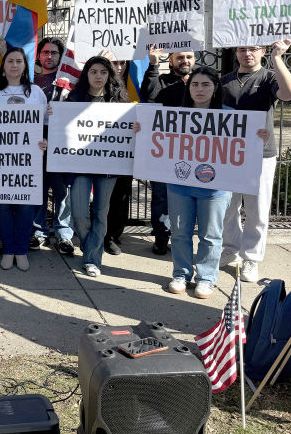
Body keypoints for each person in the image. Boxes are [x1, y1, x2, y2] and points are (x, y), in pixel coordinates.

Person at [133, 67, 269, 298]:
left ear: (215, 88)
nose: (199, 89)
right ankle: (181, 273)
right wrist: (142, 130)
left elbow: (245, 143)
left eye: (205, 84)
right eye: (195, 84)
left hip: (215, 188)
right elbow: (156, 137)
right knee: (179, 233)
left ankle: (206, 278)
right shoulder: (174, 115)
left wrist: (259, 138)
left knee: (211, 235)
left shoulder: (230, 115)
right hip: (179, 185)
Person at [220, 39, 291, 282]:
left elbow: (290, 94)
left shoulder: (267, 77)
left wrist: (277, 59)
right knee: (227, 207)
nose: (247, 53)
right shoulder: (225, 80)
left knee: (257, 209)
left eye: (253, 49)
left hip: (260, 153)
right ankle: (230, 249)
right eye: (242, 48)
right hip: (227, 153)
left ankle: (251, 258)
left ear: (262, 51)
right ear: (236, 51)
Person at [0, 48, 49, 271]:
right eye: (10, 61)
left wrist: (45, 142)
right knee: (2, 206)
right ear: (3, 66)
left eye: (18, 61)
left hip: (30, 161)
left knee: (25, 205)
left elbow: (47, 127)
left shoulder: (37, 93)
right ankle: (8, 249)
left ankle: (20, 250)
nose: (14, 65)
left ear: (25, 65)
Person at [66, 56, 128, 277]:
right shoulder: (73, 99)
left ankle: (93, 259)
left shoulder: (119, 102)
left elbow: (126, 132)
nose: (98, 76)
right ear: (87, 74)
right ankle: (90, 245)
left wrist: (135, 127)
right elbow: (62, 130)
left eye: (103, 71)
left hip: (108, 167)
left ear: (109, 75)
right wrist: (55, 117)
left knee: (101, 212)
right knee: (79, 211)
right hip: (80, 165)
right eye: (94, 71)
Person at [141, 48, 196, 255]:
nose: (184, 61)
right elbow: (149, 95)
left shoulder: (202, 81)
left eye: (189, 57)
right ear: (171, 61)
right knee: (161, 197)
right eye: (179, 57)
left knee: (190, 197)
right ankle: (161, 237)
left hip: (194, 151)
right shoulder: (161, 80)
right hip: (165, 151)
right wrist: (153, 65)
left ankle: (184, 237)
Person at [32, 37, 75, 255]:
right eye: (45, 52)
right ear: (39, 55)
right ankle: (39, 232)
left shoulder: (70, 81)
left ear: (61, 56)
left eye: (54, 53)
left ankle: (64, 234)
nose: (49, 56)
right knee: (38, 188)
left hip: (61, 142)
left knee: (62, 191)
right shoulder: (30, 80)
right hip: (37, 141)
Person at [103, 59, 132, 256]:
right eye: (114, 62)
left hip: (122, 151)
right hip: (95, 153)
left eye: (122, 62)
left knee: (120, 195)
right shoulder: (94, 84)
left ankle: (112, 236)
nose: (118, 67)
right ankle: (98, 234)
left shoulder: (133, 87)